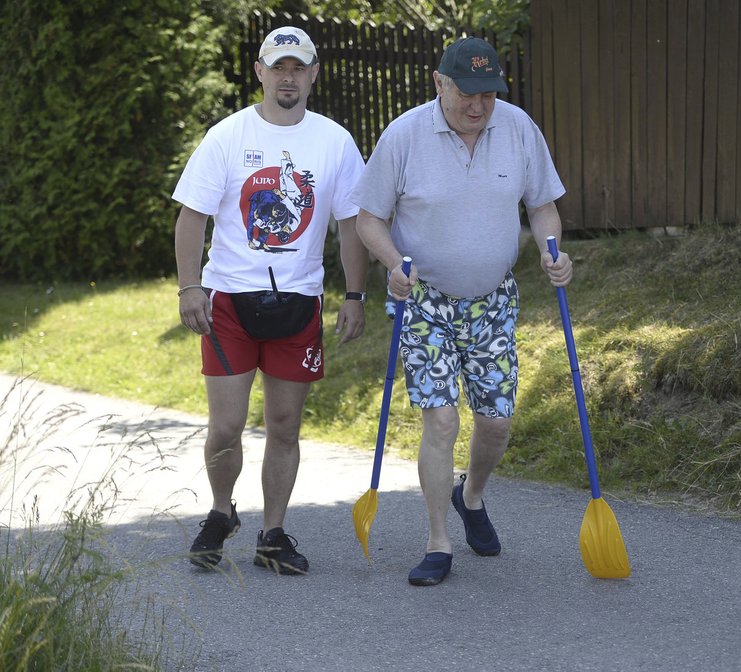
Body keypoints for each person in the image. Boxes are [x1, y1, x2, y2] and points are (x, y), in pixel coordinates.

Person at [353, 36, 573, 586]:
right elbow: (368, 220)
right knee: (441, 419)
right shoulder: (404, 136)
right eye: (467, 94)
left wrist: (553, 251)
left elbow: (543, 208)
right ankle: (437, 542)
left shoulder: (519, 128)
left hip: (494, 302)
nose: (478, 106)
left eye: (489, 95)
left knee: (496, 422)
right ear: (439, 83)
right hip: (424, 301)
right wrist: (393, 264)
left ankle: (469, 496)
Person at [172, 26, 370, 575]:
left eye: (298, 67)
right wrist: (191, 287)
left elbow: (351, 224)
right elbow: (191, 217)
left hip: (299, 302)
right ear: (259, 71)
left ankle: (272, 534)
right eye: (278, 67)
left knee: (285, 425)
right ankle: (220, 511)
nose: (288, 77)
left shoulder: (334, 141)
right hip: (230, 302)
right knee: (226, 426)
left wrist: (354, 294)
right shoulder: (228, 136)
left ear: (313, 74)